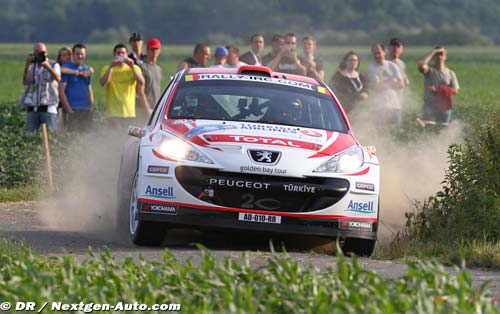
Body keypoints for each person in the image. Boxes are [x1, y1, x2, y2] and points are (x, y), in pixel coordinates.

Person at [100, 43, 146, 129]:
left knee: (127, 138)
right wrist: (111, 67)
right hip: (113, 113)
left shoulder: (134, 68)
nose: (121, 55)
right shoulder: (107, 68)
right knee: (114, 137)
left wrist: (132, 67)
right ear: (114, 55)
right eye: (118, 53)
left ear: (127, 55)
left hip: (129, 112)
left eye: (123, 53)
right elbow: (103, 83)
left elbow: (141, 81)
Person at [21, 42, 61, 132]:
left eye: (41, 52)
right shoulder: (32, 66)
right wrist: (27, 64)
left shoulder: (54, 64)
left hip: (48, 108)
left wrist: (47, 67)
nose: (39, 54)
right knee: (30, 137)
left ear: (46, 53)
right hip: (32, 108)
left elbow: (58, 78)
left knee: (50, 137)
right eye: (36, 52)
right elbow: (26, 82)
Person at [417, 46, 460, 125]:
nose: (439, 57)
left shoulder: (450, 73)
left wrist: (438, 90)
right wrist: (433, 51)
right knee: (429, 129)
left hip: (445, 107)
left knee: (443, 130)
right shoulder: (429, 70)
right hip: (430, 105)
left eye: (441, 54)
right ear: (433, 57)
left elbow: (456, 90)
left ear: (445, 57)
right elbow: (421, 64)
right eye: (437, 54)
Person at [364, 43, 405, 125]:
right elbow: (374, 87)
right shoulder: (370, 68)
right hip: (378, 107)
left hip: (394, 105)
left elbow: (401, 84)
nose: (377, 55)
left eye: (379, 53)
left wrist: (382, 83)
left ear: (384, 52)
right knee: (380, 131)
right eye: (375, 53)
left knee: (395, 130)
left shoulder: (392, 66)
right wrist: (391, 81)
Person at [58, 43, 94, 132]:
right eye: (77, 54)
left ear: (85, 55)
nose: (80, 56)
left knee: (86, 137)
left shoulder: (87, 70)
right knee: (71, 138)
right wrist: (69, 110)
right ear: (73, 55)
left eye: (82, 54)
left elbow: (89, 90)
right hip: (73, 109)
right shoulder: (67, 68)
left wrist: (91, 107)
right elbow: (61, 91)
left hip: (86, 110)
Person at [140, 38, 163, 109]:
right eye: (152, 49)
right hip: (144, 107)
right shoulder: (142, 67)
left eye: (157, 49)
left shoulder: (159, 69)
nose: (155, 51)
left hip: (156, 106)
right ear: (147, 50)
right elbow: (140, 91)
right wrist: (147, 108)